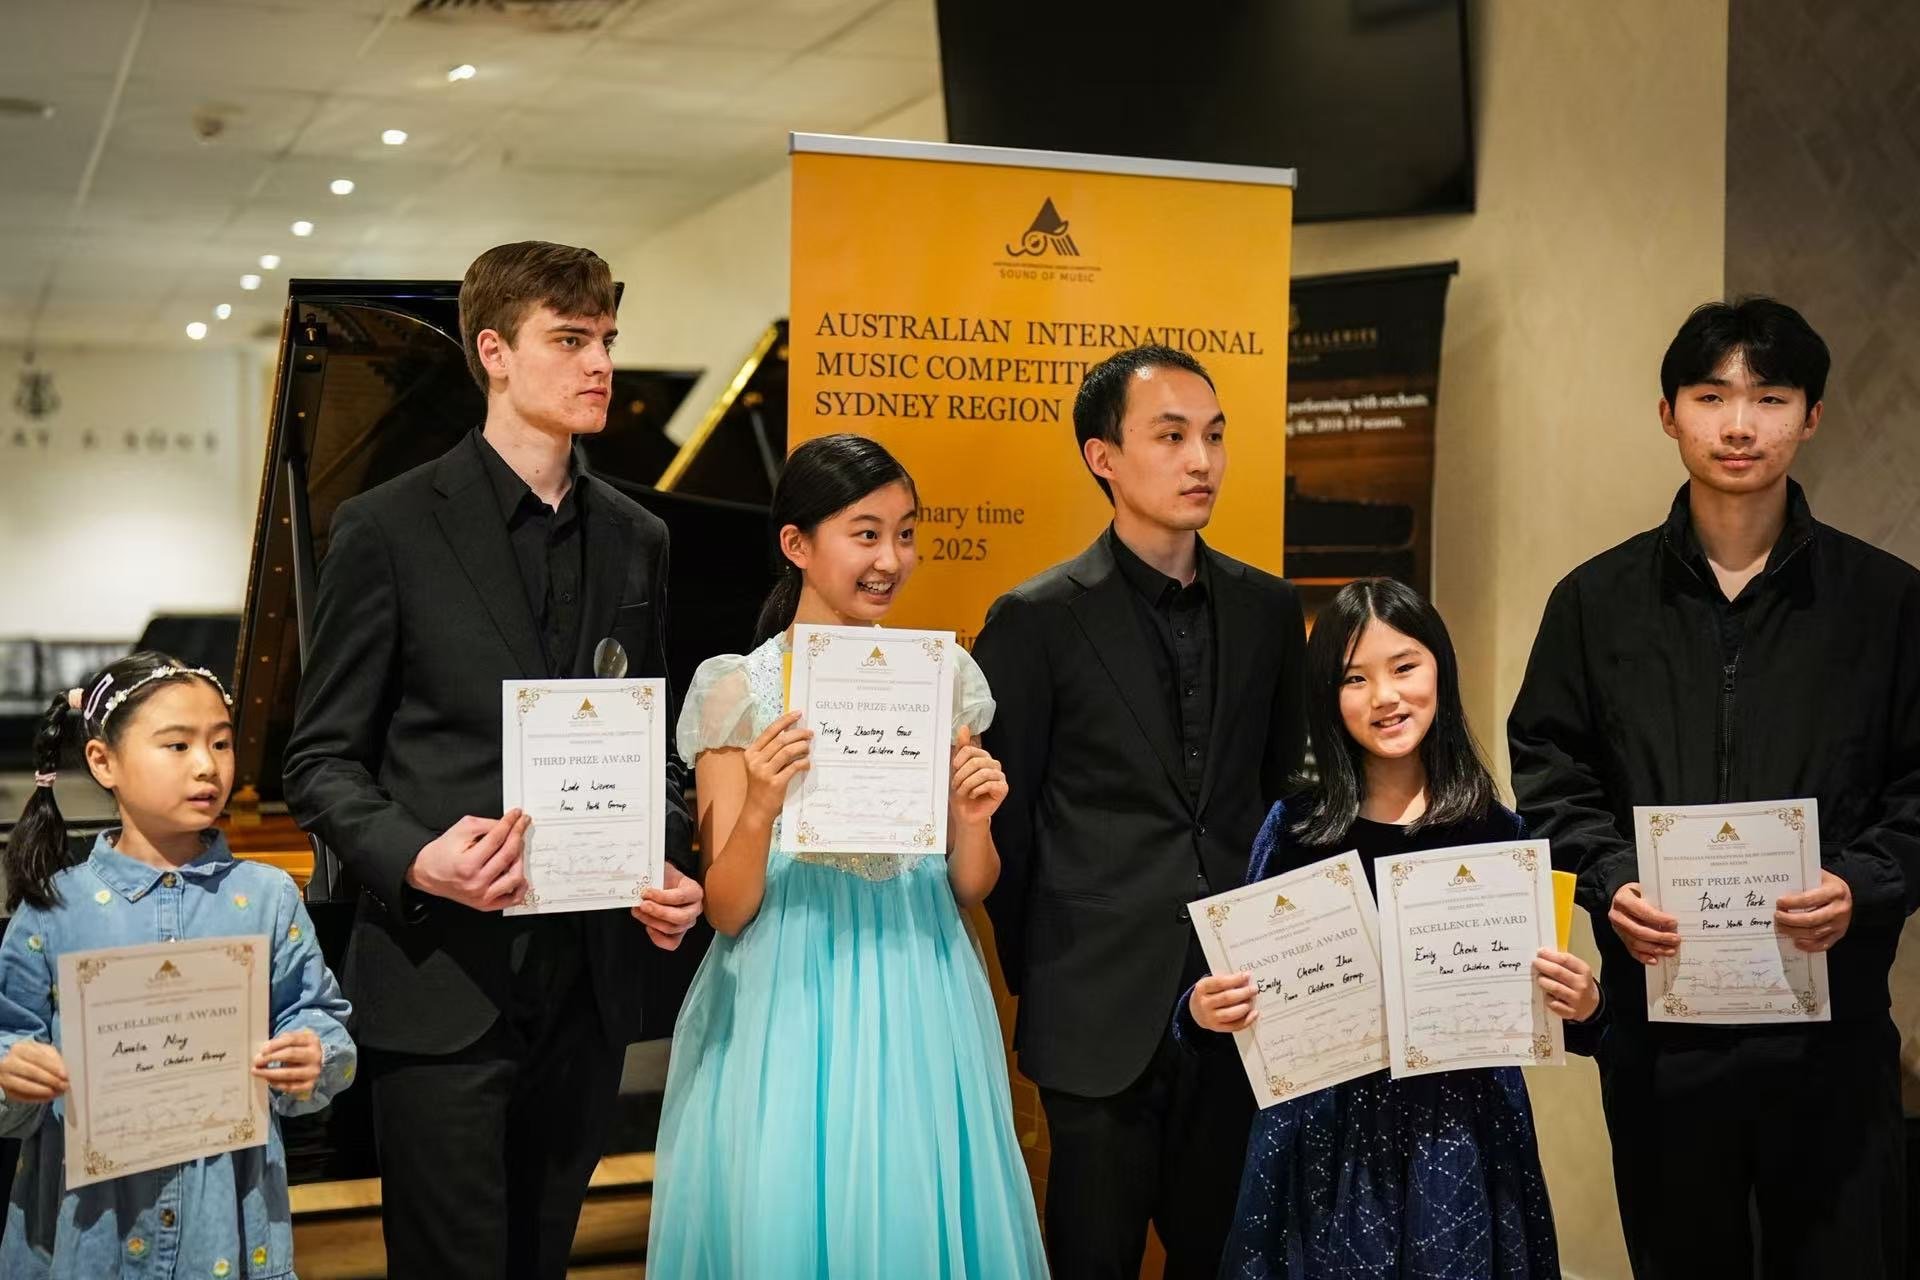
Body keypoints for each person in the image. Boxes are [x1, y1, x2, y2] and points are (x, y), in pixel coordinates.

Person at [280, 241, 705, 1279]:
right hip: (441, 979)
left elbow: (649, 750)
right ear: (495, 352)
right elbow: (320, 757)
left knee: (544, 1258)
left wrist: (666, 854)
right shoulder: (384, 528)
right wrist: (418, 856)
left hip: (586, 981)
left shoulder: (639, 536)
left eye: (605, 338)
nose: (600, 361)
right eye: (569, 339)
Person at [1508, 297, 1920, 1278]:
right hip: (1662, 1041)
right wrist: (1609, 878)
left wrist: (1862, 882)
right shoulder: (1593, 603)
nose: (1740, 425)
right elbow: (1551, 774)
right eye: (1711, 396)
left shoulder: (1889, 602)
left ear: (1811, 416)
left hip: (1834, 1038)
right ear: (1668, 413)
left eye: (1770, 397)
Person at [647, 433, 1048, 1279]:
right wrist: (758, 805)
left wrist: (974, 816)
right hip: (790, 992)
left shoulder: (942, 679)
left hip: (921, 976)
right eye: (865, 533)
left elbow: (971, 886)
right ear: (797, 545)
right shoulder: (738, 691)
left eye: (905, 533)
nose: (891, 558)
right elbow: (725, 906)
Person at [973, 344, 1308, 1278]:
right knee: (1091, 1256)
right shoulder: (1036, 618)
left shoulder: (1270, 609)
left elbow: (1289, 797)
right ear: (1102, 457)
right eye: (1170, 437)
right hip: (1096, 1002)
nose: (1200, 461)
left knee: (1226, 1255)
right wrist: (1051, 963)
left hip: (1245, 999)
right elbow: (1012, 816)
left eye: (1212, 437)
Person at [1178, 578, 1599, 1279]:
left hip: (1463, 1139)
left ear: (1440, 668)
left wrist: (1585, 1006)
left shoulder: (1499, 833)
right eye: (1355, 678)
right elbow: (1226, 1005)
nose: (1385, 696)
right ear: (1327, 697)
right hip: (1325, 1142)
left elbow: (1562, 1021)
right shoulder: (1298, 831)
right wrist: (1201, 1010)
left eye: (1405, 667)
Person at [0, 652, 355, 1278]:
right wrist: (12, 1071)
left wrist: (313, 1055)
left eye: (221, 743)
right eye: (177, 744)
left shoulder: (267, 898)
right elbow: (11, 1035)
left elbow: (319, 1017)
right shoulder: (55, 909)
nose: (206, 766)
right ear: (102, 762)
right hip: (91, 1231)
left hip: (224, 1218)